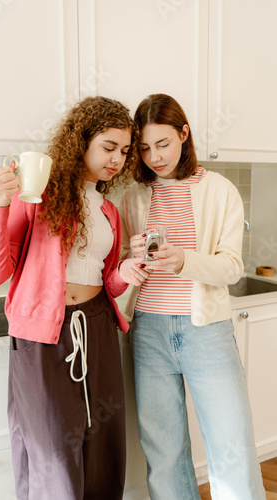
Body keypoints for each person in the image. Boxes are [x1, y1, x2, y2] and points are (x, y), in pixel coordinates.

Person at [0, 96, 149, 500]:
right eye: (108, 147)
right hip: (42, 335)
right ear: (81, 141)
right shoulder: (38, 195)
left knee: (103, 442)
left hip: (99, 328)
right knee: (52, 449)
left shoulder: (109, 210)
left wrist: (123, 273)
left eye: (124, 151)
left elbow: (106, 279)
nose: (117, 159)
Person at [119, 94, 266, 499]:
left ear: (184, 133)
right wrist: (131, 259)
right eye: (145, 148)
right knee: (163, 451)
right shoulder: (133, 197)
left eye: (163, 144)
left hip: (207, 331)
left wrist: (183, 260)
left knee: (231, 445)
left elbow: (232, 267)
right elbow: (118, 269)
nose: (154, 157)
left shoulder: (219, 190)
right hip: (148, 330)